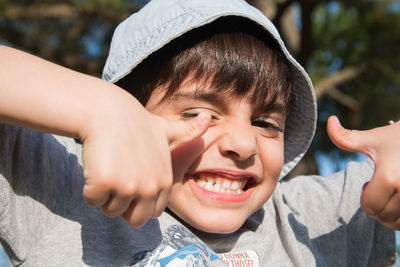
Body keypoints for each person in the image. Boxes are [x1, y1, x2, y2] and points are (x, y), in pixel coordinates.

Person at [0, 0, 398, 266]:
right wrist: (103, 107)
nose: (243, 145)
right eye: (197, 112)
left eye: (265, 123)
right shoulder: (67, 190)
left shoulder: (308, 221)